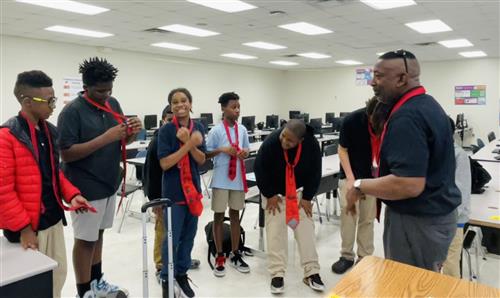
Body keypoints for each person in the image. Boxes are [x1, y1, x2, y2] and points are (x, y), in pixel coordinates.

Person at [346, 50, 461, 272]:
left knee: (408, 285)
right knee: (422, 282)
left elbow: (408, 184)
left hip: (417, 222)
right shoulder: (428, 104)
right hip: (433, 217)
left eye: (379, 76)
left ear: (402, 78)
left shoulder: (407, 117)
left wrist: (360, 185)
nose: (372, 82)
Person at [0, 70, 92, 298]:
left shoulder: (49, 132)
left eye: (54, 100)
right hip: (28, 228)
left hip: (52, 221)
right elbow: (3, 191)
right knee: (33, 287)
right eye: (48, 101)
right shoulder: (7, 136)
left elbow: (54, 174)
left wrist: (72, 195)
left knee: (56, 277)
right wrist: (24, 228)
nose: (53, 106)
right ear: (27, 102)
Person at [58, 57, 142, 298]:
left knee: (99, 235)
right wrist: (107, 137)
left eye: (109, 89)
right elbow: (66, 153)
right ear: (86, 87)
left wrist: (130, 134)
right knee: (84, 240)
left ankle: (96, 282)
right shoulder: (72, 112)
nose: (105, 94)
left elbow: (122, 140)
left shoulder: (112, 103)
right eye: (100, 91)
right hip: (85, 187)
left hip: (108, 182)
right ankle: (83, 291)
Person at [254, 119, 325, 294]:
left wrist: (308, 197)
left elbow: (316, 171)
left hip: (299, 194)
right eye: (283, 136)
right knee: (275, 233)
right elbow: (259, 168)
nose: (284, 141)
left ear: (300, 140)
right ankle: (277, 274)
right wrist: (269, 194)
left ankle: (311, 272)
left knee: (306, 231)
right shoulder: (272, 141)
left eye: (290, 140)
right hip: (275, 196)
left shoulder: (311, 144)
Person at [142, 105, 200, 284]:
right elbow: (151, 173)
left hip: (185, 194)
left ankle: (180, 262)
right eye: (168, 120)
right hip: (163, 195)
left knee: (182, 232)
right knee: (164, 231)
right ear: (163, 122)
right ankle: (161, 267)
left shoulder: (181, 139)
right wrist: (155, 200)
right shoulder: (158, 141)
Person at [157, 88, 206, 298]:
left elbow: (202, 160)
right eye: (174, 102)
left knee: (189, 236)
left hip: (192, 192)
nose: (179, 105)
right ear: (171, 106)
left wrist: (190, 144)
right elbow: (165, 163)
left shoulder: (199, 127)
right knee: (172, 238)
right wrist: (188, 144)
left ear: (190, 103)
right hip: (174, 195)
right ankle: (167, 277)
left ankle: (182, 272)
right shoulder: (166, 131)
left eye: (183, 100)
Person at [331, 97, 387, 274]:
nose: (376, 125)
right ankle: (346, 256)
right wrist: (350, 179)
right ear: (368, 114)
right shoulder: (352, 121)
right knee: (348, 218)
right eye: (373, 121)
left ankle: (364, 256)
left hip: (372, 179)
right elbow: (342, 150)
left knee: (367, 219)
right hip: (351, 175)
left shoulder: (387, 120)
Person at [206, 92, 251, 277]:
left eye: (239, 107)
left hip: (238, 179)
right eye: (234, 107)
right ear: (224, 109)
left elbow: (247, 149)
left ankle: (235, 253)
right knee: (218, 215)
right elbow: (206, 154)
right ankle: (219, 254)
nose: (237, 110)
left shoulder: (242, 130)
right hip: (221, 179)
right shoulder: (216, 131)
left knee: (235, 215)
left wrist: (244, 153)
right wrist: (223, 149)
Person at [443, 117, 471, 278]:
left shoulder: (458, 155)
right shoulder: (436, 152)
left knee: (450, 265)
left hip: (453, 219)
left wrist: (450, 219)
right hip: (436, 219)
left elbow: (461, 192)